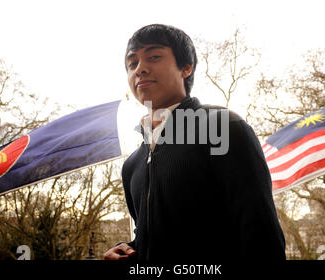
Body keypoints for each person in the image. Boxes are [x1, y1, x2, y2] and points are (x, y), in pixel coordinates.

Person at [104, 24, 285, 262]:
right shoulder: (132, 165)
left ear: (186, 68)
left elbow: (262, 237)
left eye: (154, 57)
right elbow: (157, 236)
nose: (140, 69)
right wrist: (127, 249)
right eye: (132, 63)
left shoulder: (223, 127)